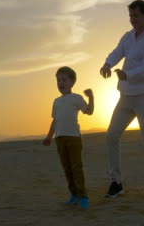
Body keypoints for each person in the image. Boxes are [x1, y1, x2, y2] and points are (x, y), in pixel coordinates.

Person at [99, 0, 144, 200]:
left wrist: (127, 75)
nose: (133, 20)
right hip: (125, 97)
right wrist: (107, 64)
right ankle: (116, 182)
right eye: (130, 16)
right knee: (111, 136)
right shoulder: (127, 37)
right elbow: (117, 52)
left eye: (136, 15)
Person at [42, 66, 94, 209]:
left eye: (64, 80)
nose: (61, 83)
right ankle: (74, 194)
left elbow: (89, 111)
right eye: (58, 80)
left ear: (72, 82)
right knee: (67, 168)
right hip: (59, 138)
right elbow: (55, 120)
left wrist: (91, 97)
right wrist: (48, 137)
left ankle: (83, 197)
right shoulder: (56, 101)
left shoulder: (77, 98)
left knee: (76, 167)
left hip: (74, 138)